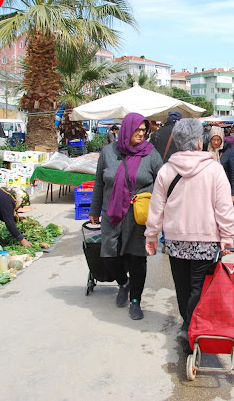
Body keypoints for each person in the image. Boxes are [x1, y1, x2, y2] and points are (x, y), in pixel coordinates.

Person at [144, 118, 234, 350]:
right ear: (198, 143)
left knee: (182, 287)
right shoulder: (214, 169)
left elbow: (156, 207)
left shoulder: (167, 170)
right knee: (199, 287)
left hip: (176, 241)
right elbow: (224, 207)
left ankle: (188, 326)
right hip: (206, 240)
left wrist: (152, 235)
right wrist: (227, 237)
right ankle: (190, 328)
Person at [89, 113, 163, 320]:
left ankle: (136, 300)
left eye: (143, 130)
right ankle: (123, 283)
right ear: (126, 130)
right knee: (109, 255)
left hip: (138, 215)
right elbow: (99, 183)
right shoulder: (108, 152)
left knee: (136, 258)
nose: (141, 134)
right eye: (137, 130)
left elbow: (163, 180)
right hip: (112, 212)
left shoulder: (151, 154)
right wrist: (94, 210)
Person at [208, 126, 234, 204]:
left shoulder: (229, 151)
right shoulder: (205, 151)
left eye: (218, 140)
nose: (215, 142)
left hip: (224, 188)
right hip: (208, 189)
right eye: (213, 139)